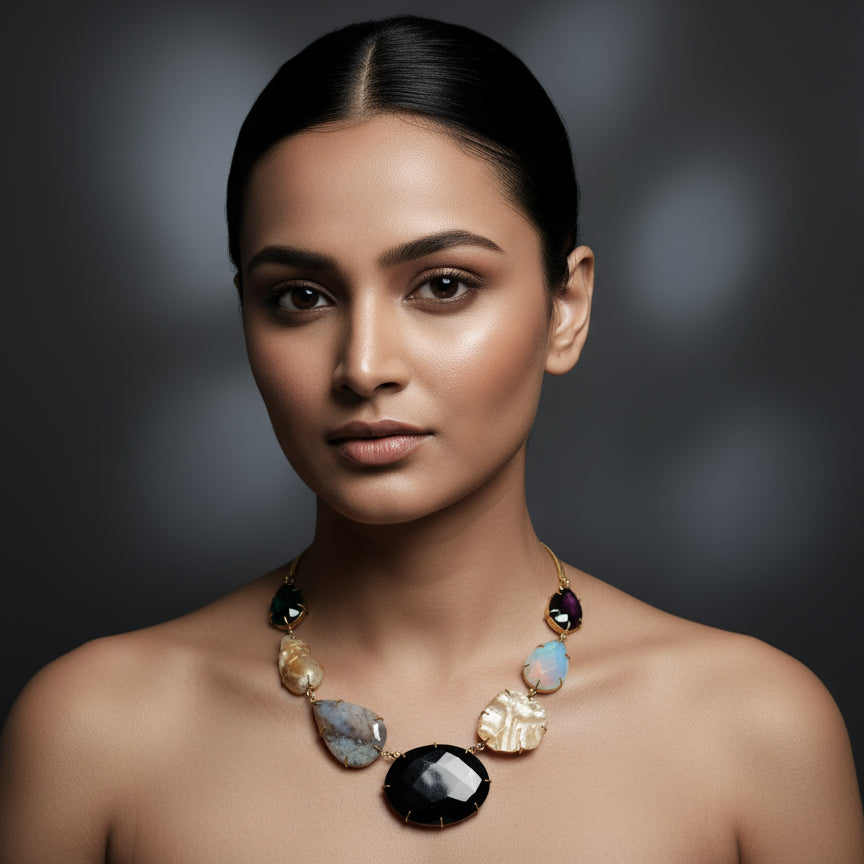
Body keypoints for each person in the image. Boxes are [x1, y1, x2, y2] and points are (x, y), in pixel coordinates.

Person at [1, 15, 861, 863]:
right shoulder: (95, 735)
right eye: (301, 297)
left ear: (567, 310)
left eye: (443, 285)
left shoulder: (757, 735)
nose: (364, 365)